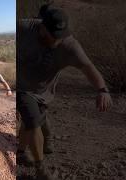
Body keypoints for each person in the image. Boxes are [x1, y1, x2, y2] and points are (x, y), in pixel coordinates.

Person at [17, 7, 113, 179]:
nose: (55, 40)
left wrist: (102, 90)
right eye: (51, 34)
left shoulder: (69, 45)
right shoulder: (25, 27)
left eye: (59, 36)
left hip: (44, 91)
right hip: (22, 87)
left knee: (30, 120)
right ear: (42, 26)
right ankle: (41, 170)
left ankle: (21, 152)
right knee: (32, 121)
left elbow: (88, 67)